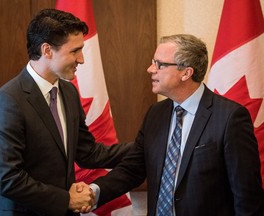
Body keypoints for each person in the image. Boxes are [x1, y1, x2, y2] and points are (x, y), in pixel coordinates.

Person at [92, 34, 264, 215]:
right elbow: (133, 168)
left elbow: (247, 195)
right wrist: (94, 192)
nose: (150, 69)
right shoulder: (155, 114)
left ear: (186, 73)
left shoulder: (230, 117)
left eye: (159, 64)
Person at [0, 8, 132, 216]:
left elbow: (88, 153)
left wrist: (145, 146)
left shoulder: (68, 91)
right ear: (47, 50)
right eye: (74, 51)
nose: (81, 59)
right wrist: (67, 199)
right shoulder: (9, 100)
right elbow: (9, 179)